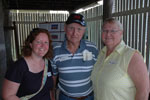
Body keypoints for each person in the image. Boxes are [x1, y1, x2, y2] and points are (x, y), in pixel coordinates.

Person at [91, 18, 149, 100]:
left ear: (121, 33)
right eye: (105, 31)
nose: (108, 34)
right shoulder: (101, 54)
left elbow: (144, 91)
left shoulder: (132, 56)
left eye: (113, 31)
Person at [51, 13, 98, 100]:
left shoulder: (92, 48)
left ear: (84, 31)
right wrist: (52, 94)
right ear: (65, 28)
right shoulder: (56, 50)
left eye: (79, 29)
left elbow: (99, 72)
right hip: (65, 97)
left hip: (88, 97)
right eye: (71, 28)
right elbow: (54, 76)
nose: (74, 33)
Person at [2, 28, 55, 100]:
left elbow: (49, 90)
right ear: (30, 44)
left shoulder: (47, 63)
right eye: (38, 42)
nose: (43, 46)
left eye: (46, 42)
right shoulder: (19, 66)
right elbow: (8, 96)